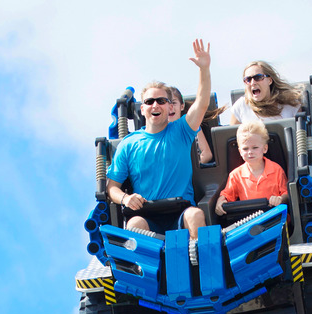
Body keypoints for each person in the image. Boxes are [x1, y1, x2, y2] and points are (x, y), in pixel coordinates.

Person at [106, 39, 211, 239]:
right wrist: (126, 199)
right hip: (147, 214)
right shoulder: (129, 144)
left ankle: (201, 265)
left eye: (162, 101)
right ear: (142, 108)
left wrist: (204, 70)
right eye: (150, 101)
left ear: (170, 107)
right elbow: (112, 187)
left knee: (196, 215)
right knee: (134, 225)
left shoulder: (181, 130)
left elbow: (202, 103)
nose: (156, 105)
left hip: (181, 211)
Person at [215, 120, 288, 216]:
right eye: (245, 149)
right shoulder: (236, 175)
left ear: (265, 148)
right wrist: (220, 202)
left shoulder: (276, 170)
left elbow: (286, 194)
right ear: (240, 151)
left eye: (255, 147)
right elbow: (227, 195)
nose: (250, 152)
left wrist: (280, 199)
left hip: (275, 218)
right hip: (249, 221)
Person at [229, 61, 302, 125]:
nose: (253, 83)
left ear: (269, 80)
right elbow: (231, 138)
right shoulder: (241, 106)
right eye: (248, 79)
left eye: (258, 77)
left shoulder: (291, 106)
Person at [168, 86, 225, 164]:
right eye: (167, 103)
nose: (170, 107)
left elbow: (206, 154)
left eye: (174, 103)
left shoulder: (192, 125)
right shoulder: (158, 131)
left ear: (182, 106)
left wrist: (191, 166)